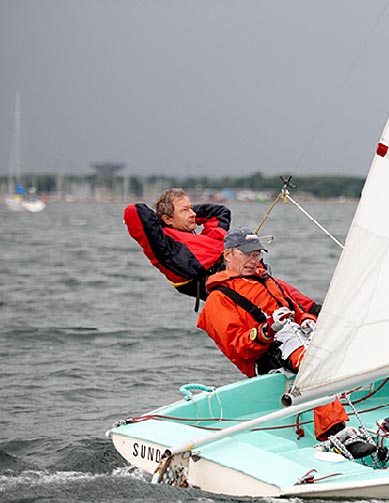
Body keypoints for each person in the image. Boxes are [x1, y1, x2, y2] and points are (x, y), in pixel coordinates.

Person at [197, 226, 375, 459]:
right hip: (267, 356)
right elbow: (240, 349)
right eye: (247, 254)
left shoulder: (268, 281)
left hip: (298, 339)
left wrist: (310, 321)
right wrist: (268, 328)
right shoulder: (218, 300)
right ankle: (337, 434)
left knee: (370, 344)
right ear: (228, 254)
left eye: (257, 254)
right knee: (313, 363)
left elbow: (299, 311)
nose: (253, 260)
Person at [123, 188, 320, 314]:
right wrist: (161, 219)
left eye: (192, 209)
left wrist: (188, 215)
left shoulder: (210, 236)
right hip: (228, 288)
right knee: (281, 306)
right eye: (185, 211)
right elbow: (134, 211)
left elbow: (220, 212)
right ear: (167, 219)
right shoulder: (165, 246)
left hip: (253, 277)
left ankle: (321, 319)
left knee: (295, 297)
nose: (193, 214)